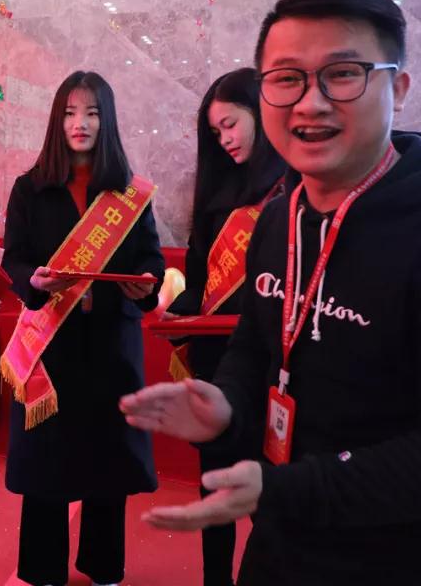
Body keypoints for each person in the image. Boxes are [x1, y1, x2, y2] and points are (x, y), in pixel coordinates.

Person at [120, 0, 421, 585]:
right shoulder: (279, 219)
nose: (310, 103)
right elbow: (256, 348)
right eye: (287, 78)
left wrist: (285, 488)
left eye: (343, 74)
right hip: (282, 553)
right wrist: (228, 404)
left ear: (398, 87)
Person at [0, 71, 165, 586]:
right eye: (70, 113)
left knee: (108, 464)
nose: (80, 123)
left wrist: (147, 284)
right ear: (57, 120)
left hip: (111, 348)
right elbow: (14, 259)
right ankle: (43, 569)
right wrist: (34, 280)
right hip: (51, 346)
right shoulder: (30, 188)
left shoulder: (129, 194)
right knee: (45, 465)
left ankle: (103, 566)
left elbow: (151, 258)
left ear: (106, 121)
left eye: (92, 113)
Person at [163, 67, 285, 586]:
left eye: (231, 124)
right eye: (215, 133)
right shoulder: (216, 191)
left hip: (273, 369)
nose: (225, 140)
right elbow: (200, 280)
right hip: (217, 366)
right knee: (214, 487)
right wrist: (176, 312)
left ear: (260, 111)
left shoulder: (291, 188)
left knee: (271, 497)